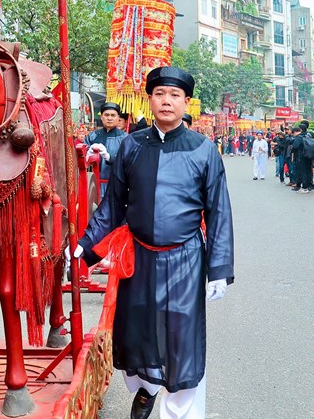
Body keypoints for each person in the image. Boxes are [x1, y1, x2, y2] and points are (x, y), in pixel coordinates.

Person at [75, 66, 234, 419]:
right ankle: (145, 392)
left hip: (186, 260)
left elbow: (219, 211)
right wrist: (84, 247)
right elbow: (113, 204)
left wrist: (219, 270)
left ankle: (178, 410)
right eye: (160, 94)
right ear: (150, 100)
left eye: (174, 95)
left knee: (182, 341)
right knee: (137, 334)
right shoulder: (132, 146)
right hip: (139, 258)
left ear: (186, 102)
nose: (167, 101)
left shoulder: (204, 150)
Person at [85, 102, 129, 197]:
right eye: (106, 115)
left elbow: (128, 160)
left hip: (116, 185)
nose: (109, 118)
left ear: (118, 118)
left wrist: (109, 157)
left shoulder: (125, 138)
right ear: (101, 117)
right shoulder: (93, 136)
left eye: (113, 115)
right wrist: (87, 153)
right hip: (93, 184)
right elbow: (80, 155)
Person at [296, 125, 314, 193]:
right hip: (309, 155)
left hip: (302, 156)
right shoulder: (309, 135)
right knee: (309, 170)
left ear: (301, 130)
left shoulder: (299, 137)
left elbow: (295, 146)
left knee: (303, 171)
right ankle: (310, 185)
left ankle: (305, 187)